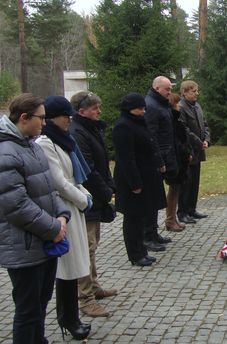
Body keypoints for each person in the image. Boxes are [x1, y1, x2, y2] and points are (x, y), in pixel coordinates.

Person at [0, 93, 70, 344]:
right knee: (27, 311)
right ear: (24, 118)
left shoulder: (32, 144)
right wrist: (53, 227)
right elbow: (16, 205)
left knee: (40, 305)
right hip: (24, 246)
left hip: (44, 241)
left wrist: (62, 215)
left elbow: (49, 189)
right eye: (41, 118)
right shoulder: (6, 153)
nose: (45, 122)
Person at [35, 96, 92, 340]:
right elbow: (58, 181)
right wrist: (81, 199)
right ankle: (68, 317)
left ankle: (71, 315)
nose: (69, 119)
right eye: (64, 115)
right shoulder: (45, 143)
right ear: (52, 117)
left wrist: (85, 193)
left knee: (76, 264)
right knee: (67, 266)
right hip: (63, 208)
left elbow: (75, 175)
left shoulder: (64, 140)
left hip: (74, 204)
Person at [69, 91, 117, 318]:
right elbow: (88, 169)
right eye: (95, 108)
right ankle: (85, 298)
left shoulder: (91, 128)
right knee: (86, 249)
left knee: (93, 245)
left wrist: (110, 184)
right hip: (87, 199)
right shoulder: (78, 132)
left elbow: (101, 162)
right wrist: (105, 191)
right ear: (82, 111)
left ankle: (94, 287)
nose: (99, 111)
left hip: (96, 197)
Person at [112, 93, 167, 266]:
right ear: (130, 109)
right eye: (139, 108)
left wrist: (159, 162)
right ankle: (135, 254)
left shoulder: (138, 122)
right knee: (133, 218)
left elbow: (151, 144)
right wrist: (135, 183)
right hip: (132, 179)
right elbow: (126, 158)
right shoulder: (123, 127)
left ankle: (142, 249)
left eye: (144, 108)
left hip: (147, 175)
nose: (143, 111)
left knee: (143, 214)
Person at [143, 76, 175, 250]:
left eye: (170, 89)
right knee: (150, 200)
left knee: (156, 198)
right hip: (155, 159)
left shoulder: (160, 104)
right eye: (166, 89)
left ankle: (153, 232)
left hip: (163, 154)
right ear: (156, 88)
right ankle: (147, 236)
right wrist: (160, 160)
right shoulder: (152, 106)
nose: (169, 92)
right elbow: (151, 136)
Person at [178, 80, 211, 224]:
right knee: (186, 182)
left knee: (195, 181)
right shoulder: (181, 107)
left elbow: (205, 125)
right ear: (184, 92)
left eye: (197, 91)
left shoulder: (197, 106)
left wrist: (207, 140)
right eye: (193, 91)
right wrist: (198, 141)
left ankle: (192, 209)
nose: (196, 93)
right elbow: (184, 129)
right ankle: (183, 212)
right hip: (188, 150)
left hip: (199, 150)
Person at [164, 93, 189, 232]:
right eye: (177, 104)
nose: (179, 106)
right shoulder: (172, 120)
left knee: (176, 190)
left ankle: (173, 218)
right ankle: (170, 219)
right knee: (173, 190)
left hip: (180, 157)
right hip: (175, 158)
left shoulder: (176, 119)